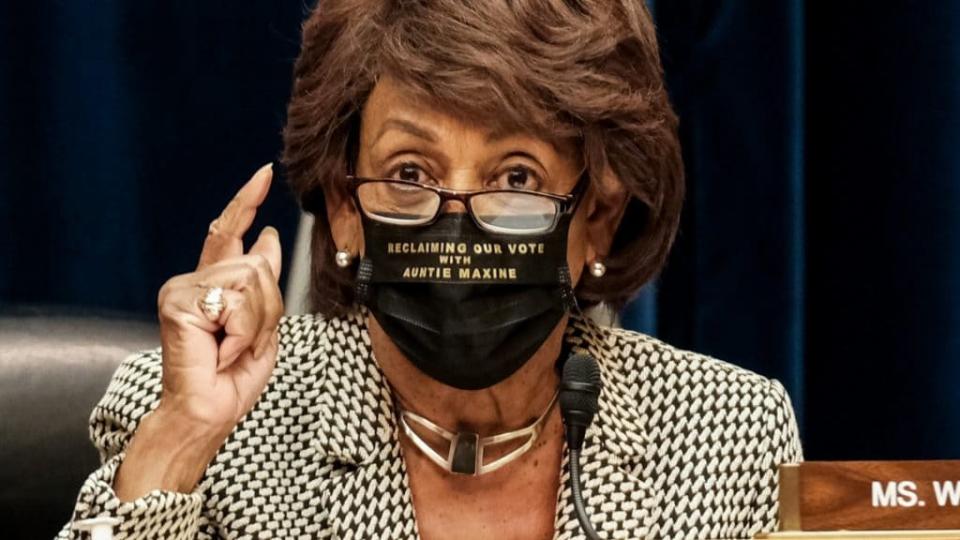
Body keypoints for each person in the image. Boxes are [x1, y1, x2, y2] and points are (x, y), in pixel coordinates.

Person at [59, 1, 802, 539]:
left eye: (516, 179)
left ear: (596, 218)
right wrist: (181, 439)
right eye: (410, 171)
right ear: (345, 208)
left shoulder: (732, 435)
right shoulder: (218, 425)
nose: (458, 220)